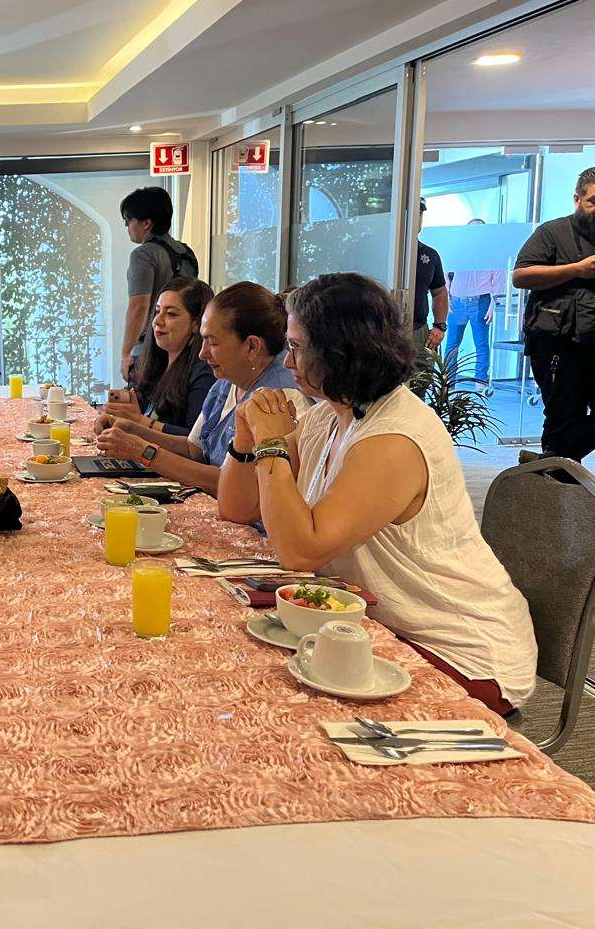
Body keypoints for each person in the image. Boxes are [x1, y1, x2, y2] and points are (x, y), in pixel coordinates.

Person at [217, 273, 536, 714]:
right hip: (378, 626)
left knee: (276, 708)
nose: (287, 362)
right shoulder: (329, 416)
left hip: (457, 650)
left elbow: (299, 551)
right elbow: (236, 508)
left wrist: (271, 443)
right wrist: (245, 437)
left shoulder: (394, 437)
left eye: (296, 347)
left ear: (338, 351)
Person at [96, 282, 304, 497]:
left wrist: (143, 451)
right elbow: (194, 449)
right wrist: (131, 429)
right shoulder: (228, 379)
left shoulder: (282, 400)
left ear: (252, 346)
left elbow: (237, 486)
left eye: (212, 343)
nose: (202, 354)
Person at [512, 166, 595, 461]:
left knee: (563, 433)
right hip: (558, 346)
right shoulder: (552, 232)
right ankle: (554, 472)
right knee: (563, 416)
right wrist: (577, 270)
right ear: (577, 199)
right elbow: (521, 276)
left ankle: (549, 461)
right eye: (593, 201)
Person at [100, 277, 215, 437]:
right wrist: (112, 418)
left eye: (171, 314)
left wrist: (139, 421)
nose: (157, 321)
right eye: (157, 311)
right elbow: (135, 413)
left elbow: (196, 441)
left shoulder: (205, 372)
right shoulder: (149, 363)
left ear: (196, 324)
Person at [118, 187, 199, 382]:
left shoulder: (143, 255)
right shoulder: (186, 253)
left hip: (151, 349)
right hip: (184, 346)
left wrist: (126, 353)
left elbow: (139, 306)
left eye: (128, 220)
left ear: (146, 223)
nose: (127, 225)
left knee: (142, 398)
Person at [443, 219, 501, 393]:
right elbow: (445, 274)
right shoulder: (458, 251)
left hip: (480, 300)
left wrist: (494, 304)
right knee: (452, 343)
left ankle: (480, 381)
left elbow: (499, 279)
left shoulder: (492, 253)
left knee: (481, 343)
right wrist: (446, 299)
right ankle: (448, 381)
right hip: (456, 301)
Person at [413, 198, 449, 356]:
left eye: (420, 213)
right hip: (380, 332)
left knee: (420, 371)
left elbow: (439, 292)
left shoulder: (429, 255)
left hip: (417, 330)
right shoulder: (376, 250)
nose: (417, 217)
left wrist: (439, 326)